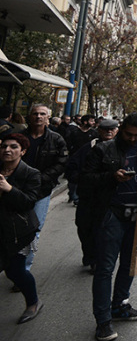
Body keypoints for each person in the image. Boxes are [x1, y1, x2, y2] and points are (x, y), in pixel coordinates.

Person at [79, 112, 137, 341]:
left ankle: (120, 305)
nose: (134, 139)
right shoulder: (103, 149)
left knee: (130, 262)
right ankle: (103, 320)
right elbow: (85, 180)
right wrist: (111, 177)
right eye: (129, 134)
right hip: (111, 215)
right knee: (105, 268)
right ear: (121, 129)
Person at [0, 134, 43, 324]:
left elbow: (28, 202)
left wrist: (9, 189)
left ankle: (33, 303)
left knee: (15, 271)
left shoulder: (31, 174)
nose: (7, 150)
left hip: (20, 232)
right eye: (4, 146)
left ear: (23, 151)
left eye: (13, 147)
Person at [22, 103, 68, 272]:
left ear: (48, 117)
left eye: (42, 114)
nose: (38, 117)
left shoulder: (56, 139)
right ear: (29, 116)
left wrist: (41, 179)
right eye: (35, 114)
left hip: (41, 190)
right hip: (18, 189)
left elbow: (61, 163)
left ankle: (24, 268)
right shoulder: (19, 138)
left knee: (34, 228)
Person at [73, 119, 120, 271]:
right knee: (85, 228)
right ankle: (89, 255)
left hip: (110, 199)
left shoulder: (122, 149)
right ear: (98, 130)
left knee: (104, 232)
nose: (109, 132)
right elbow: (73, 168)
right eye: (105, 129)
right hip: (89, 196)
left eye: (112, 129)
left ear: (117, 130)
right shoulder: (88, 148)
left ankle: (98, 260)